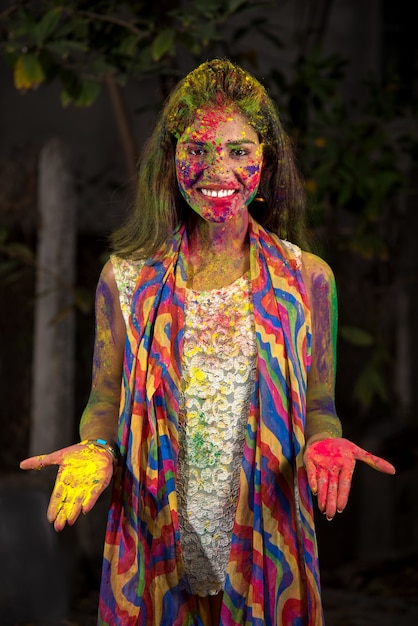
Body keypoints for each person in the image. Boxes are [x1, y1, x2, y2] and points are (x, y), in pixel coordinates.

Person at [20, 58, 395, 626]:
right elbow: (104, 400)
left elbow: (320, 405)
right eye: (197, 149)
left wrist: (326, 442)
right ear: (171, 161)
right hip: (154, 535)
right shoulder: (124, 280)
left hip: (268, 536)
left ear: (265, 161)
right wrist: (95, 449)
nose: (217, 168)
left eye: (239, 150)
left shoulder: (308, 278)